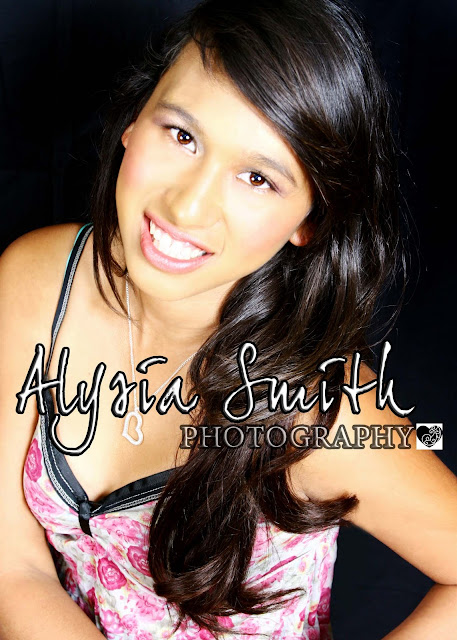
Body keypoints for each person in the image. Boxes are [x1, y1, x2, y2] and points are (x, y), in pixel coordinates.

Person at [0, 0, 456, 639]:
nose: (187, 206)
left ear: (309, 220)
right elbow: (13, 567)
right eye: (181, 135)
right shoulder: (35, 282)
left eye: (257, 178)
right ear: (134, 121)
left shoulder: (319, 414)